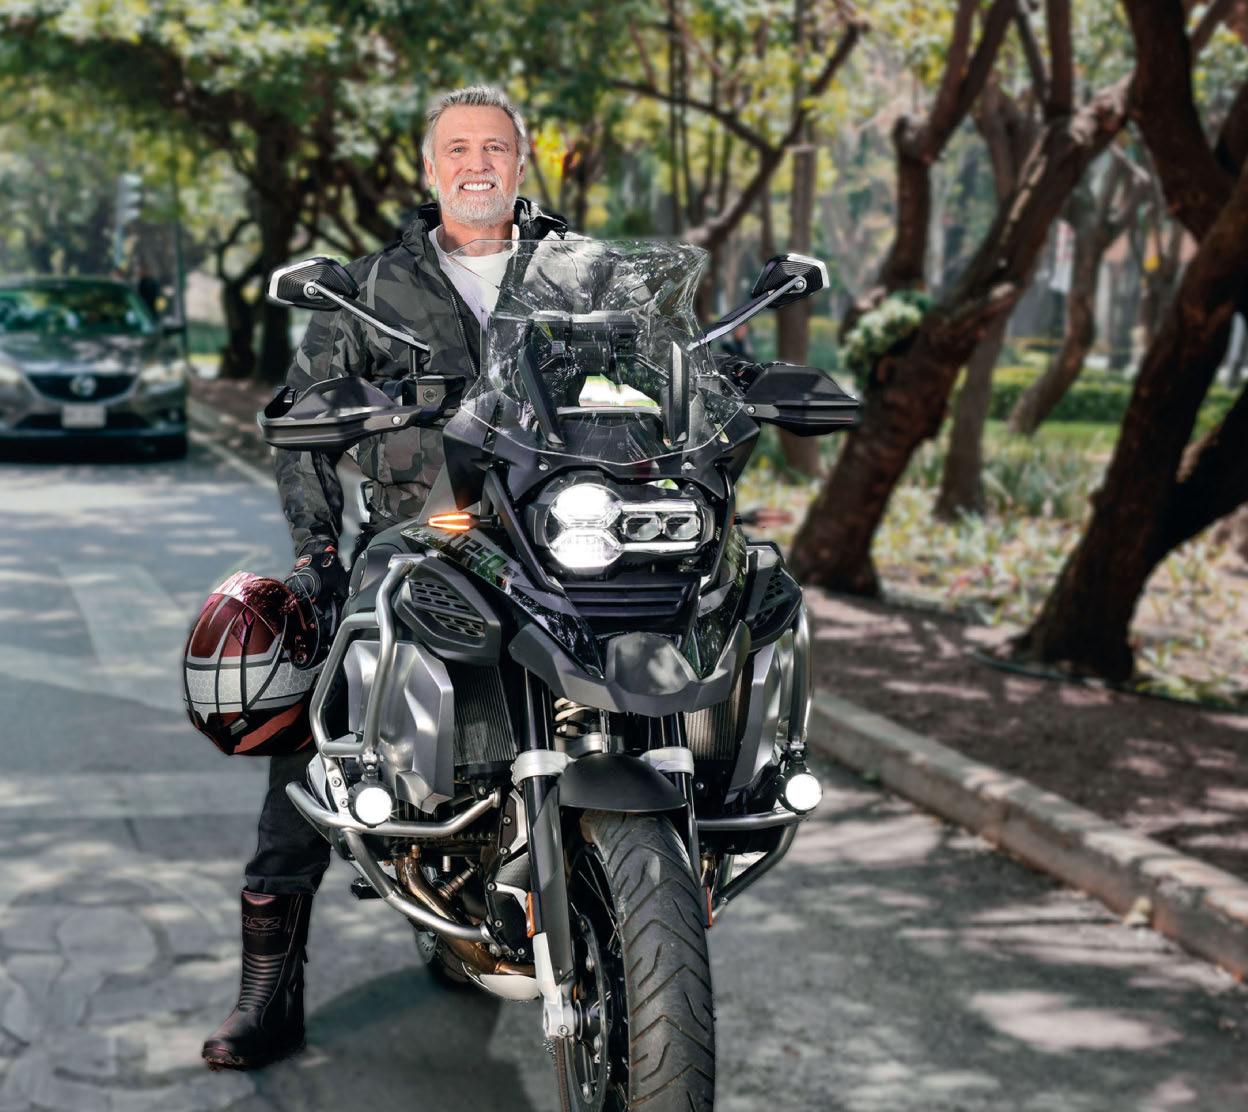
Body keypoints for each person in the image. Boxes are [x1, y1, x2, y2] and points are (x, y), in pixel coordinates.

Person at [201, 84, 571, 1071]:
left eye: (495, 146)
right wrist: (318, 555)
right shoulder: (369, 287)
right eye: (459, 148)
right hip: (424, 531)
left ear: (522, 160)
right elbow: (303, 425)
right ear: (430, 167)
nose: (478, 163)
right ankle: (268, 995)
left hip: (568, 534)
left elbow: (670, 383)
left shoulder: (583, 274)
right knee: (318, 702)